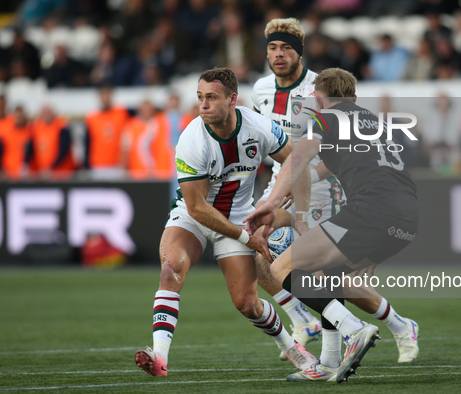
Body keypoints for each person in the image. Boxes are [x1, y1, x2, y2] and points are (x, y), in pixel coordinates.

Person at [251, 18, 420, 371]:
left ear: (317, 98)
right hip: (405, 220)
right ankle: (329, 361)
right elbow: (327, 169)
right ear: (354, 97)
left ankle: (353, 329)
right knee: (330, 279)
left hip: (368, 213)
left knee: (282, 267)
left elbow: (296, 160)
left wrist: (269, 202)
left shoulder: (326, 119)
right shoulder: (373, 122)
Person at [134, 68, 316, 377]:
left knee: (248, 304)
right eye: (200, 98)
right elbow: (196, 207)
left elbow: (295, 160)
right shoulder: (191, 139)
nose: (203, 105)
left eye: (212, 98)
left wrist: (299, 213)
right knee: (170, 270)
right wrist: (248, 239)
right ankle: (160, 356)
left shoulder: (258, 126)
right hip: (194, 217)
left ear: (233, 99)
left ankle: (292, 349)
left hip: (238, 218)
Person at [84, 85, 129, 179]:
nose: (105, 98)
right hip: (98, 165)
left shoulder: (121, 113)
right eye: (102, 95)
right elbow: (87, 142)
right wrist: (87, 165)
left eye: (107, 94)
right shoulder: (92, 117)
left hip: (117, 164)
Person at [30, 103, 77, 180]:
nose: (46, 115)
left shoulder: (61, 127)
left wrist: (52, 167)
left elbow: (63, 149)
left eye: (48, 112)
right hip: (43, 173)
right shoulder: (37, 128)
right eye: (44, 113)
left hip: (61, 172)